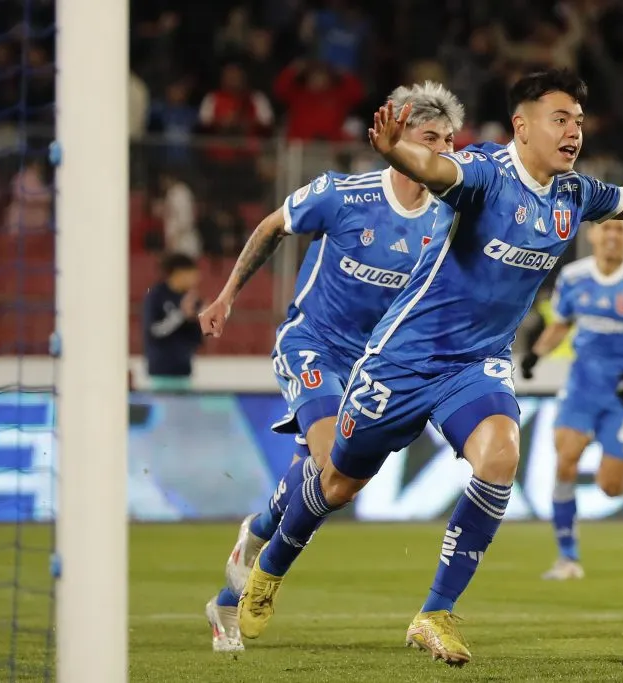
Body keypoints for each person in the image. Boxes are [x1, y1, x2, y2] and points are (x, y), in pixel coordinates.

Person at [239, 68, 623, 666]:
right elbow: (440, 170)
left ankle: (434, 614)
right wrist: (397, 153)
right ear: (522, 126)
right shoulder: (487, 176)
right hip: (402, 361)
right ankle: (272, 565)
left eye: (580, 122)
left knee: (501, 455)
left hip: (476, 365)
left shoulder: (574, 195)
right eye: (561, 120)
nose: (574, 133)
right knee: (337, 481)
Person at [196, 81, 464, 653]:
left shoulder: (445, 218)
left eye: (447, 140)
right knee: (328, 463)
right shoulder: (345, 195)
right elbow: (271, 226)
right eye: (427, 136)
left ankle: (233, 587)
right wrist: (226, 297)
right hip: (311, 345)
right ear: (398, 134)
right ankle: (258, 566)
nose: (439, 149)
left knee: (335, 487)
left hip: (374, 369)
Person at [519, 218, 623, 580]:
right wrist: (537, 353)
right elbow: (561, 322)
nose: (612, 235)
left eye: (621, 229)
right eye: (607, 228)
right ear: (593, 234)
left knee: (612, 489)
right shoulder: (573, 277)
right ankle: (568, 558)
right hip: (581, 387)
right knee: (565, 461)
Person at [143, 252, 203, 391]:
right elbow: (154, 331)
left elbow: (197, 339)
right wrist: (181, 314)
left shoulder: (191, 299)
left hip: (184, 373)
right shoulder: (156, 296)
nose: (196, 278)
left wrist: (199, 318)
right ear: (178, 273)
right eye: (192, 273)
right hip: (161, 374)